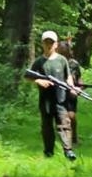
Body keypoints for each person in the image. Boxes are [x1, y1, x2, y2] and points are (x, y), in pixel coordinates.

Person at [22, 29, 76, 159]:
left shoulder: (62, 60)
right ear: (42, 44)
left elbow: (67, 75)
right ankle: (48, 151)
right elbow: (28, 76)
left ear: (56, 44)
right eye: (46, 42)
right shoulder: (39, 61)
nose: (49, 45)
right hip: (45, 100)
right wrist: (38, 81)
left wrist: (71, 87)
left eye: (51, 42)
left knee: (64, 124)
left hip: (61, 99)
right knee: (47, 127)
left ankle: (68, 150)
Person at [56, 41, 83, 151]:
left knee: (71, 116)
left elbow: (79, 78)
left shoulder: (74, 63)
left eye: (64, 51)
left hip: (71, 93)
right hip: (58, 93)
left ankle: (74, 136)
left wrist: (80, 88)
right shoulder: (54, 62)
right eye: (60, 50)